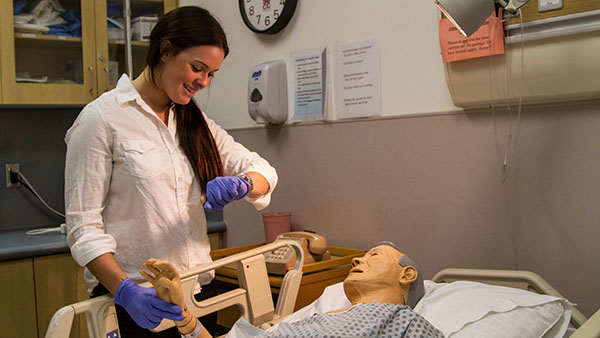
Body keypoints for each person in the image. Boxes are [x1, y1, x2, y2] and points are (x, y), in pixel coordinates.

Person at [64, 6, 277, 337]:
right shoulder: (101, 120)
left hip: (198, 295)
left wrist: (245, 183)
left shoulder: (193, 122)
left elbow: (262, 170)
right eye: (197, 68)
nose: (203, 82)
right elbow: (83, 230)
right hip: (138, 302)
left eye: (211, 74)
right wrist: (125, 292)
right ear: (165, 50)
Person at [142, 242, 445, 338]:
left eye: (373, 255)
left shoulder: (404, 321)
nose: (357, 259)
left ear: (407, 274)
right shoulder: (314, 320)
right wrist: (181, 311)